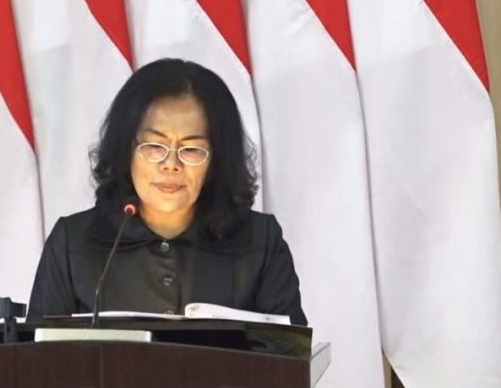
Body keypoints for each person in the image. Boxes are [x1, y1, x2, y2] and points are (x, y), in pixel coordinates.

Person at [27, 58, 307, 326]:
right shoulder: (72, 243)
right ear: (125, 149)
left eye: (191, 149)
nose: (171, 164)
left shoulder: (261, 242)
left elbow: (289, 355)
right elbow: (38, 356)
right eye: (154, 146)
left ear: (217, 159)